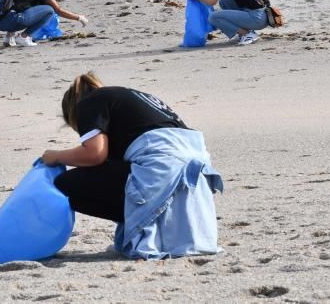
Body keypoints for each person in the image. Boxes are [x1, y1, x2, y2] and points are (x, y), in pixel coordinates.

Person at [42, 72, 223, 259]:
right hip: (194, 170)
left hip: (164, 165)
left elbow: (94, 154)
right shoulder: (128, 98)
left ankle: (137, 222)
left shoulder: (89, 102)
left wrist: (55, 157)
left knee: (66, 183)